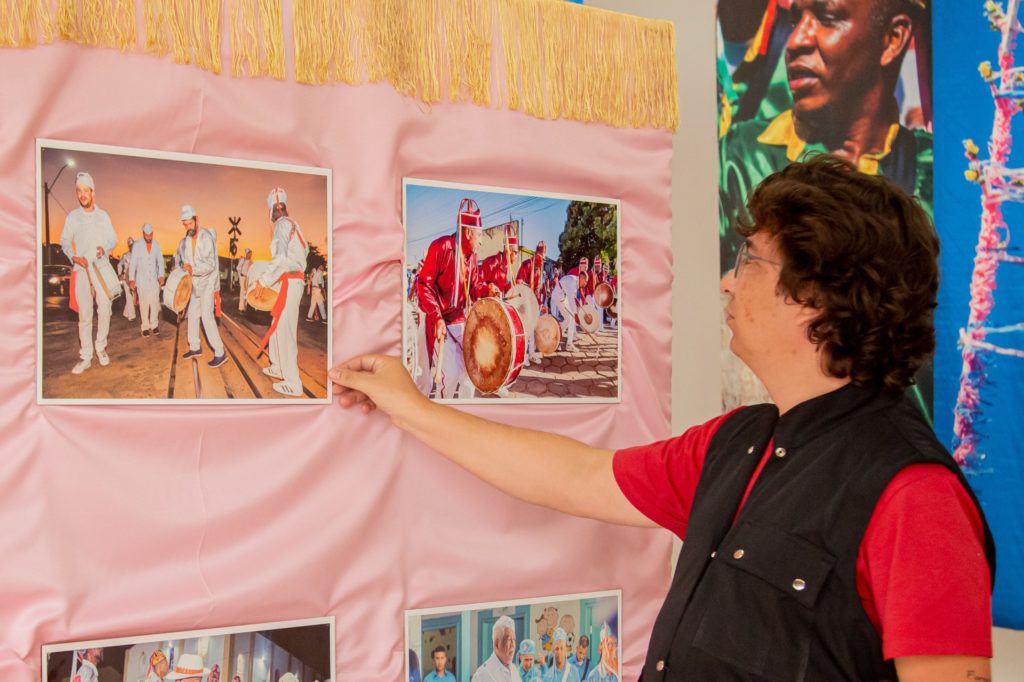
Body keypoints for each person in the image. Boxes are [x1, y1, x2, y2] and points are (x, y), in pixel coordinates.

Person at [331, 156, 995, 681]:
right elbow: (578, 477)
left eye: (749, 262)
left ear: (813, 299)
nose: (728, 283)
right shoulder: (741, 442)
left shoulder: (914, 499)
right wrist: (412, 407)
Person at [719, 0, 932, 273]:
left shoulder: (934, 172)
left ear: (893, 39)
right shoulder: (737, 162)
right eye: (796, 21)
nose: (796, 41)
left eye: (827, 17)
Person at [415, 199, 499, 399]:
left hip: (460, 322)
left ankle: (464, 415)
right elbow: (423, 284)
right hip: (437, 322)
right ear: (468, 232)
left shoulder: (472, 259)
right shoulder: (442, 247)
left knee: (471, 373)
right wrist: (437, 318)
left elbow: (474, 289)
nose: (481, 240)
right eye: (479, 235)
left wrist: (487, 289)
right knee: (445, 378)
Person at [252, 187, 309, 397]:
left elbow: (281, 259)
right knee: (276, 326)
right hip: (291, 279)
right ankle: (277, 365)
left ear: (271, 212)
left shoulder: (281, 225)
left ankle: (293, 382)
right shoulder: (294, 224)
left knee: (285, 331)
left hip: (290, 281)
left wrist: (263, 281)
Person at [60, 172, 117, 375]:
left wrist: (105, 249)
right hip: (81, 269)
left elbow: (113, 239)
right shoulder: (73, 217)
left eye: (86, 190)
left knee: (105, 310)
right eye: (79, 191)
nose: (82, 195)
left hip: (100, 269)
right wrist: (73, 256)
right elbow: (65, 241)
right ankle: (86, 356)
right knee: (85, 315)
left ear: (93, 192)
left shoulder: (104, 216)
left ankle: (100, 347)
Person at [176, 204, 226, 367]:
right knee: (192, 314)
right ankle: (195, 347)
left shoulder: (206, 237)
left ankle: (220, 352)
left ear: (196, 220)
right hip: (195, 284)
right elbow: (188, 262)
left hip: (207, 284)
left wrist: (193, 269)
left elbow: (211, 264)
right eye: (185, 224)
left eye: (190, 223)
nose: (187, 227)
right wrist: (186, 268)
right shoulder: (187, 240)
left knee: (206, 316)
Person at [129, 224, 166, 338]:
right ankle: (145, 327)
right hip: (142, 281)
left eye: (150, 235)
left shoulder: (156, 245)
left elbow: (160, 261)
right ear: (143, 234)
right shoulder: (137, 245)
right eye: (147, 235)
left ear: (152, 234)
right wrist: (131, 279)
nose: (149, 237)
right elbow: (133, 263)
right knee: (144, 305)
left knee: (155, 304)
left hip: (154, 281)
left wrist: (161, 275)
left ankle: (154, 325)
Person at [471, 615, 521, 682]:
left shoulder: (514, 670)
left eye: (514, 640)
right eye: (509, 640)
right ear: (497, 644)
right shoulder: (481, 676)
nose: (513, 645)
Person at [118, 237, 137, 321]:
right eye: (131, 246)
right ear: (129, 247)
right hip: (126, 278)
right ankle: (131, 316)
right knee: (129, 295)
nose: (132, 247)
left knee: (132, 296)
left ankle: (126, 312)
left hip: (134, 278)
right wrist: (120, 273)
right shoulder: (125, 255)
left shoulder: (137, 256)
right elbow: (119, 265)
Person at [237, 248, 254, 312]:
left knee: (247, 293)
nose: (250, 255)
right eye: (249, 253)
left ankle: (245, 307)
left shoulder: (252, 261)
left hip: (248, 279)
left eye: (251, 254)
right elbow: (238, 268)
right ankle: (241, 308)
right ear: (246, 254)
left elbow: (252, 270)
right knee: (242, 292)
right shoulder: (242, 260)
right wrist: (240, 275)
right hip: (242, 278)